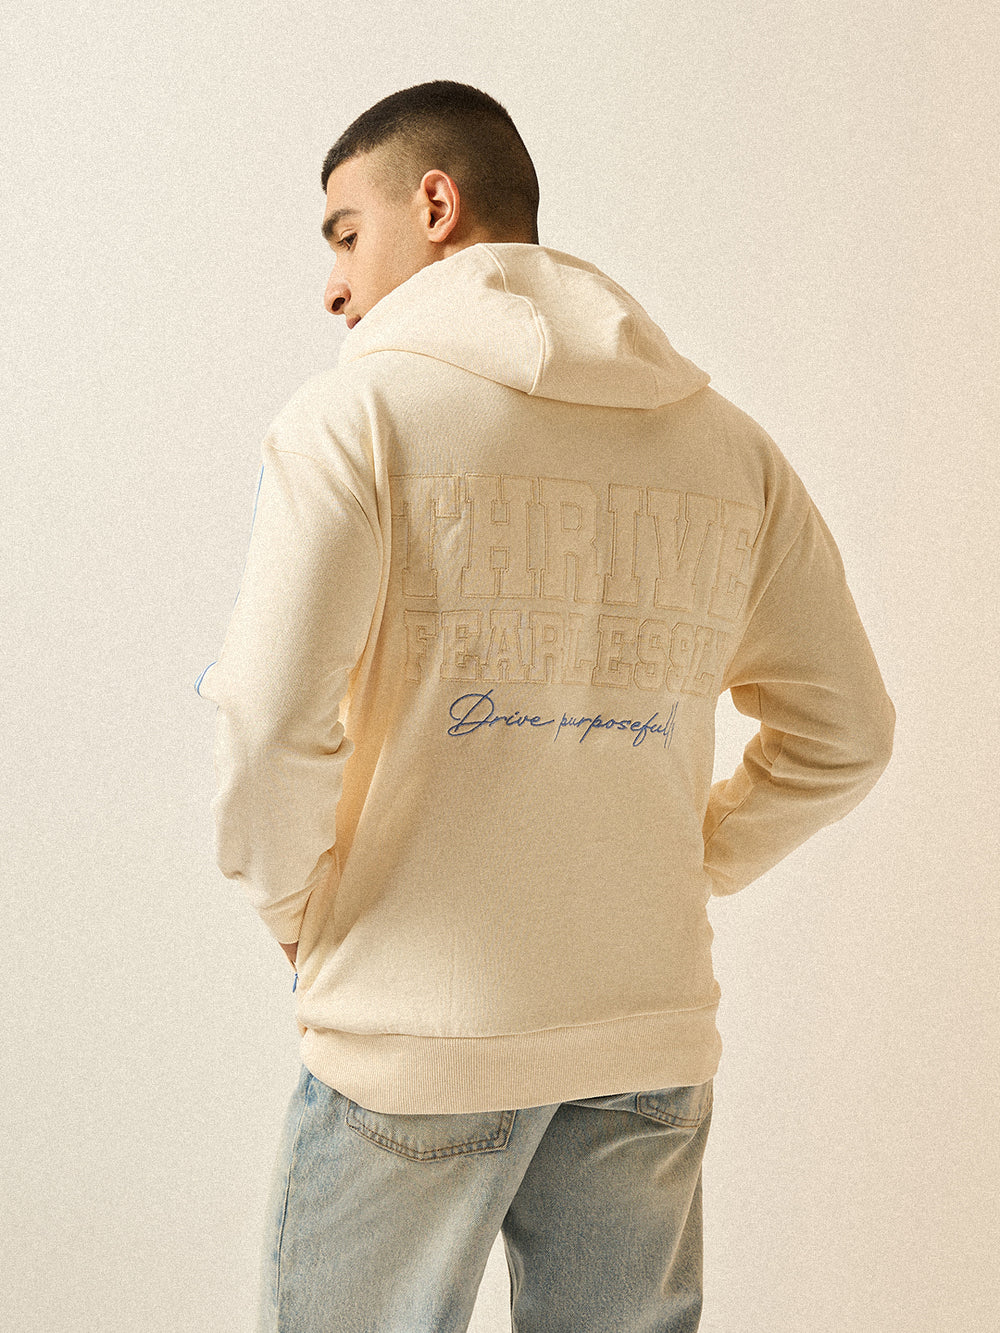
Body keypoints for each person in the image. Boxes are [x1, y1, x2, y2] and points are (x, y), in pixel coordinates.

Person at [196, 80, 895, 1333]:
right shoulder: (728, 447)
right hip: (643, 1033)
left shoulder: (356, 419)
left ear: (435, 204)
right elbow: (846, 730)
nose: (334, 288)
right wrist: (686, 859)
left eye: (346, 234)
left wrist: (302, 904)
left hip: (415, 1031)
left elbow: (266, 718)